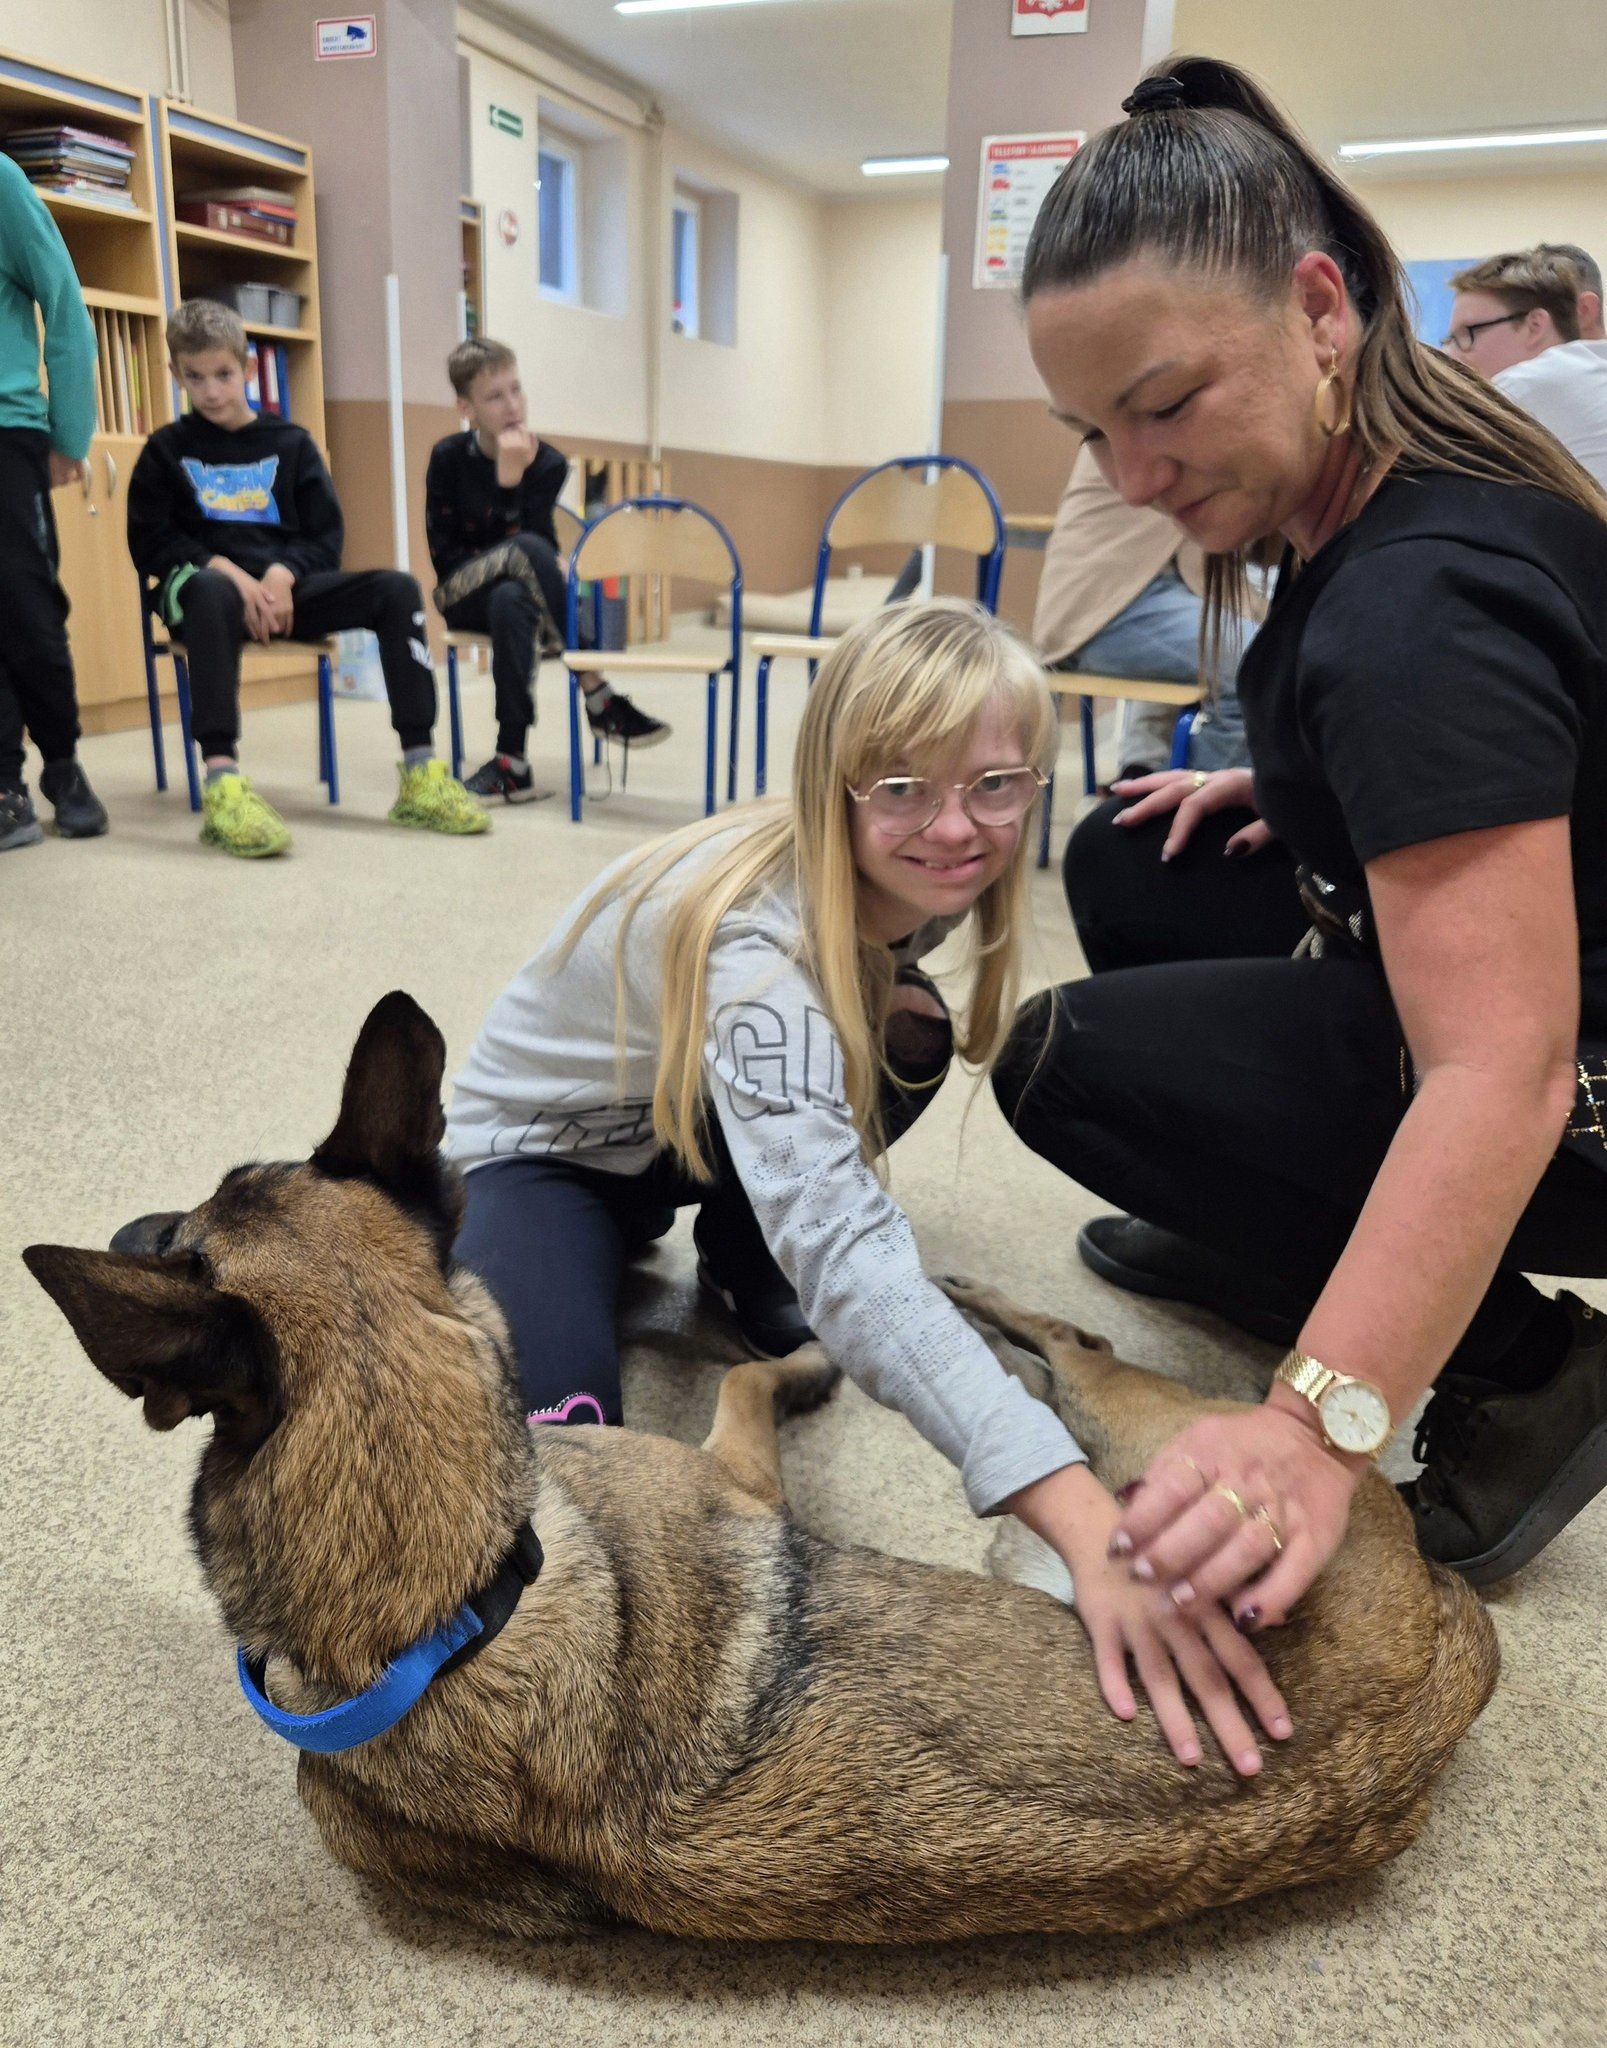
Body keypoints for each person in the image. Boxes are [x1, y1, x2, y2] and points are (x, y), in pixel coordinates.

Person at [446, 598, 1291, 1777]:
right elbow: (851, 1253)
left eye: (994, 783)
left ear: (1035, 780)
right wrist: (1074, 1512)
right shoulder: (753, 954)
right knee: (562, 1471)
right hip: (541, 1154)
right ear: (831, 785)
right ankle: (709, 1240)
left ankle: (745, 1250)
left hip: (684, 1113)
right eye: (900, 786)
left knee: (907, 1028)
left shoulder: (896, 880)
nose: (953, 826)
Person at [991, 55, 1607, 1621]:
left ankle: (1528, 1367)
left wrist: (1312, 1428)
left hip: (1582, 1094)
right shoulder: (1399, 480)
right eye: (1091, 433)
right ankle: (1275, 1232)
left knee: (1058, 1062)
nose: (1135, 476)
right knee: (1129, 859)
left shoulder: (1414, 614)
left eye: (1164, 407)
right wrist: (1299, 787)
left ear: (1318, 311)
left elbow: (1504, 1068)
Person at [126, 300, 485, 858]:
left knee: (396, 589)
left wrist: (282, 575)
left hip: (283, 594)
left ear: (248, 369)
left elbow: (325, 537)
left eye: (223, 374)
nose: (211, 391)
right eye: (194, 378)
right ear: (175, 375)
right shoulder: (164, 451)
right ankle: (222, 782)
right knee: (211, 590)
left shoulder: (291, 443)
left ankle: (420, 772)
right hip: (203, 595)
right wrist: (230, 574)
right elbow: (150, 542)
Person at [426, 337, 669, 805]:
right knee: (527, 551)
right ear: (466, 408)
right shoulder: (448, 457)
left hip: (511, 597)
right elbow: (448, 553)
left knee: (512, 600)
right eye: (495, 397)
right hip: (458, 592)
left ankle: (511, 763)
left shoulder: (549, 463)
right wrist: (507, 483)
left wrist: (522, 495)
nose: (513, 406)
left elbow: (535, 548)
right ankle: (598, 693)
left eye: (516, 389)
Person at [0, 151, 108, 849]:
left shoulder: (2, 182)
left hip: (7, 432)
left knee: (28, 605)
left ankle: (63, 766)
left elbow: (63, 300)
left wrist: (70, 432)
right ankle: (3, 785)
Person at [1035, 437, 1253, 780]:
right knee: (1256, 663)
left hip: (1146, 596)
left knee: (1255, 642)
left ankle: (1141, 775)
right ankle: (1193, 804)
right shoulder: (1151, 432)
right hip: (1103, 612)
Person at [1447, 248, 1607, 489]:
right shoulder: (1592, 366)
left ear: (1535, 326)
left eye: (1469, 333)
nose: (1452, 355)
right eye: (1450, 340)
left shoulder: (1526, 383)